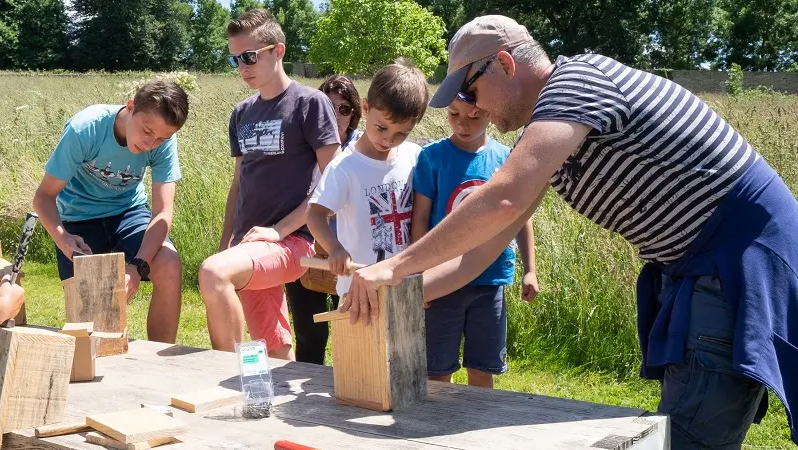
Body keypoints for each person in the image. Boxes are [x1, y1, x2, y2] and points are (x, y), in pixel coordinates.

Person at [347, 15, 798, 448]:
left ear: (504, 64)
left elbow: (501, 198)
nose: (475, 106)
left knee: (690, 438)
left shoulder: (577, 83)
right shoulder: (551, 134)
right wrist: (404, 289)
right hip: (707, 264)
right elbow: (483, 250)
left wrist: (393, 267)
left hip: (739, 259)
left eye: (472, 88)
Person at [198, 9, 340, 359]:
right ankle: (270, 406)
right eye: (235, 59)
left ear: (278, 51)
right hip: (248, 240)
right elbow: (239, 185)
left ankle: (228, 377)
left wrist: (279, 230)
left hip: (295, 239)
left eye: (249, 56)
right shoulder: (242, 112)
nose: (242, 67)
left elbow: (334, 184)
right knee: (274, 345)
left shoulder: (310, 103)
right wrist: (227, 242)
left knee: (213, 274)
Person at [33, 80, 188, 344]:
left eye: (162, 138)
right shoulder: (86, 129)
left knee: (169, 265)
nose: (151, 144)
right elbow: (43, 198)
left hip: (129, 212)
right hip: (78, 218)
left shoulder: (163, 142)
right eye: (146, 131)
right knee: (93, 326)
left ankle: (162, 366)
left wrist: (138, 266)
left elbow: (162, 214)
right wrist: (64, 239)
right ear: (130, 107)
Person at [413, 94, 538, 388]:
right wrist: (420, 275)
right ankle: (437, 427)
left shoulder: (506, 159)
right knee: (437, 369)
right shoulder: (432, 157)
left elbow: (521, 217)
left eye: (475, 116)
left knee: (483, 368)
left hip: (490, 283)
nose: (463, 124)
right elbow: (420, 218)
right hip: (442, 283)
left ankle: (476, 427)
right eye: (454, 114)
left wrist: (530, 269)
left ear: (491, 115)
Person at [306, 60, 428, 308]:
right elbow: (315, 214)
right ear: (366, 107)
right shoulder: (345, 167)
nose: (388, 139)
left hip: (405, 287)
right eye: (381, 127)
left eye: (400, 133)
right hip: (359, 293)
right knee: (358, 348)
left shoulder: (414, 156)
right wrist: (335, 248)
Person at [286, 74, 363, 365]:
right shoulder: (300, 150)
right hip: (309, 247)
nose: (336, 116)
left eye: (344, 110)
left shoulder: (364, 150)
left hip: (353, 252)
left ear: (355, 114)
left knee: (354, 331)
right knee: (310, 333)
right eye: (328, 108)